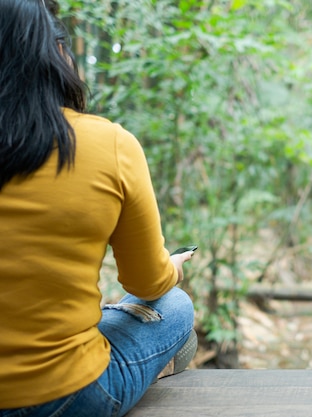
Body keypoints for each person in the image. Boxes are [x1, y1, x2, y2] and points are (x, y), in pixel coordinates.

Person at [0, 1, 197, 415]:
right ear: (55, 54)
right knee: (174, 306)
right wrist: (175, 266)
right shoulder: (106, 143)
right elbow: (149, 284)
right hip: (59, 397)